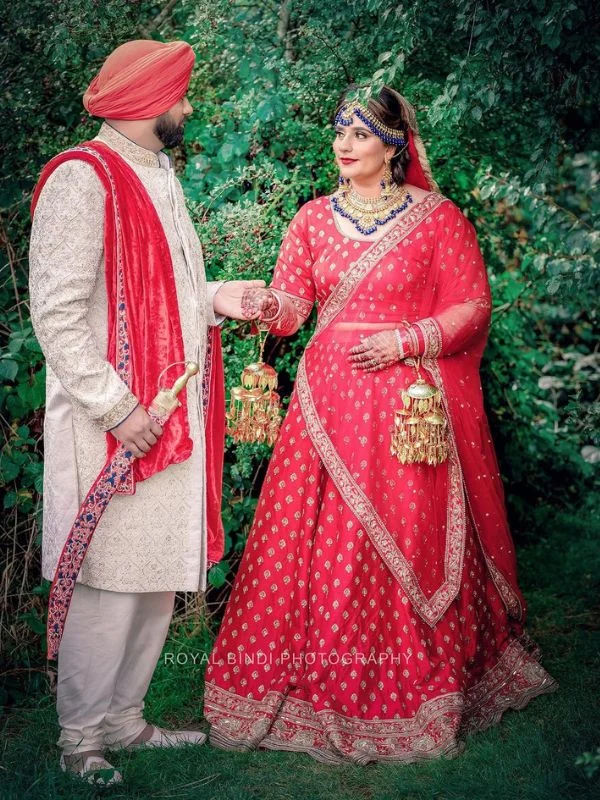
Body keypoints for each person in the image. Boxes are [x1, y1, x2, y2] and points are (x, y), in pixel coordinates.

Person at [203, 86, 558, 764]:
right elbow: (293, 309)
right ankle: (314, 683)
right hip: (325, 408)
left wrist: (409, 340)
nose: (343, 144)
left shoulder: (439, 218)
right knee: (311, 541)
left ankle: (417, 685)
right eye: (339, 130)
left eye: (360, 134)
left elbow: (473, 307)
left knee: (409, 536)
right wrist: (259, 300)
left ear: (395, 144)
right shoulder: (311, 219)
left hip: (407, 414)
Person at [29, 39, 263, 785]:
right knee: (108, 579)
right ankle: (80, 740)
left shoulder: (155, 171)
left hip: (172, 414)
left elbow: (166, 295)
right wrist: (117, 407)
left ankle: (125, 723)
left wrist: (218, 299)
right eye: (179, 95)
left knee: (154, 575)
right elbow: (58, 316)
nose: (187, 108)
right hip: (115, 426)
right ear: (141, 101)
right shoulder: (82, 178)